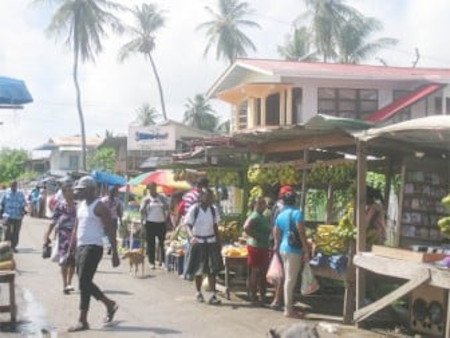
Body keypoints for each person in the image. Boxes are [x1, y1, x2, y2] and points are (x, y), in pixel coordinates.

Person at [68, 176, 119, 332]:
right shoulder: (81, 206)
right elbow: (77, 227)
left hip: (94, 247)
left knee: (84, 282)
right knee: (84, 282)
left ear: (91, 190)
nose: (79, 193)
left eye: (82, 191)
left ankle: (83, 320)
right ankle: (109, 304)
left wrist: (115, 252)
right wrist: (71, 246)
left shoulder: (100, 206)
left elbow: (110, 229)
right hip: (81, 247)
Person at [273, 191, 309, 318]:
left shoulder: (281, 214)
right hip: (294, 250)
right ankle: (288, 310)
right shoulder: (297, 213)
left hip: (283, 248)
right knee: (290, 280)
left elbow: (276, 232)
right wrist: (306, 249)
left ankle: (288, 307)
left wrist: (277, 244)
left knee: (288, 278)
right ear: (295, 201)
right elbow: (301, 232)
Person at [185, 188, 223, 305]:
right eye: (207, 196)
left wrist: (218, 241)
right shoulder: (194, 209)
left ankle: (213, 295)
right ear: (201, 197)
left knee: (212, 270)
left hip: (211, 241)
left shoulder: (213, 210)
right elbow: (187, 225)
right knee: (198, 269)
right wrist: (192, 237)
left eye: (210, 196)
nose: (209, 198)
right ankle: (198, 293)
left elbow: (216, 226)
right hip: (198, 242)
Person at [44, 180, 76, 294]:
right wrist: (47, 235)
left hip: (75, 238)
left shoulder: (77, 206)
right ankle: (64, 284)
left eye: (73, 190)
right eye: (70, 190)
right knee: (63, 261)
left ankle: (69, 282)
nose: (72, 192)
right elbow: (53, 221)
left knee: (72, 262)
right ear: (64, 192)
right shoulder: (60, 206)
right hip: (63, 238)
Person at [269, 185, 293, 310]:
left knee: (280, 271)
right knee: (283, 273)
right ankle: (277, 300)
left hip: (278, 243)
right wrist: (276, 243)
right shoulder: (282, 209)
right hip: (282, 244)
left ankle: (277, 297)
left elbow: (273, 226)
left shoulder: (276, 207)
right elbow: (275, 227)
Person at [244, 196, 272, 304]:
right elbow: (246, 227)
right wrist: (255, 236)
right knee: (256, 271)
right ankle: (253, 294)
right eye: (261, 204)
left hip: (263, 246)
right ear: (256, 205)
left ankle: (261, 294)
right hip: (256, 247)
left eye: (264, 204)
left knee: (262, 272)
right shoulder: (255, 215)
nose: (264, 206)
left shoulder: (262, 216)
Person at [140, 182, 169, 269]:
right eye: (151, 188)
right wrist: (145, 204)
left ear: (156, 188)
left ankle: (162, 261)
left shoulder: (162, 197)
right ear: (149, 189)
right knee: (151, 243)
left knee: (162, 243)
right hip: (150, 223)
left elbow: (167, 207)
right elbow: (141, 211)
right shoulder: (146, 199)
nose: (153, 189)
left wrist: (164, 205)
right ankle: (151, 262)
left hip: (161, 223)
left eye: (154, 188)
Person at [0, 181, 26, 252]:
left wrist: (23, 211)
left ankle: (13, 246)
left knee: (16, 232)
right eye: (12, 185)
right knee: (7, 232)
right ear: (10, 185)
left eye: (15, 185)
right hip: (7, 216)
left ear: (16, 186)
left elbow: (23, 204)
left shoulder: (20, 194)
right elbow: (1, 204)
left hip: (18, 216)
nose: (13, 187)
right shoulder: (5, 193)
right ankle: (6, 247)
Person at [101, 186, 123, 255]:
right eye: (112, 192)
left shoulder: (117, 201)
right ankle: (109, 246)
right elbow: (100, 210)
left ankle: (110, 247)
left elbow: (119, 211)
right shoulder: (104, 200)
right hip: (107, 219)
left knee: (111, 234)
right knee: (107, 234)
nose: (113, 193)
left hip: (113, 219)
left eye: (114, 192)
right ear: (109, 192)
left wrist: (121, 220)